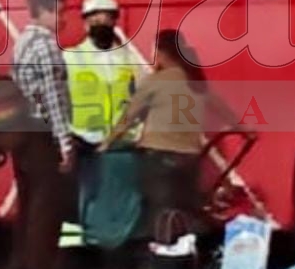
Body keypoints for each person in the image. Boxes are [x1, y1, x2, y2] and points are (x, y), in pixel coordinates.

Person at [103, 29, 242, 235]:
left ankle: (162, 260)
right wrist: (243, 128)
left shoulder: (156, 82)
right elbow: (223, 110)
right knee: (184, 212)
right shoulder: (196, 82)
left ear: (162, 53)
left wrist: (107, 143)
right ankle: (184, 257)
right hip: (189, 159)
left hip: (158, 157)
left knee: (159, 213)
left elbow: (128, 119)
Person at [62, 0, 142, 269]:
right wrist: (66, 136)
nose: (101, 21)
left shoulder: (127, 59)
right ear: (84, 23)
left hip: (118, 147)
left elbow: (137, 100)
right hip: (81, 143)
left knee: (116, 214)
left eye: (107, 16)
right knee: (78, 215)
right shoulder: (70, 57)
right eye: (94, 17)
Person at [11, 0, 75, 269]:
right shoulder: (47, 46)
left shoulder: (22, 43)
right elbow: (52, 98)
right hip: (43, 135)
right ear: (44, 11)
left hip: (22, 132)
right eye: (60, 12)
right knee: (45, 210)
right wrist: (64, 142)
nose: (64, 19)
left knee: (27, 207)